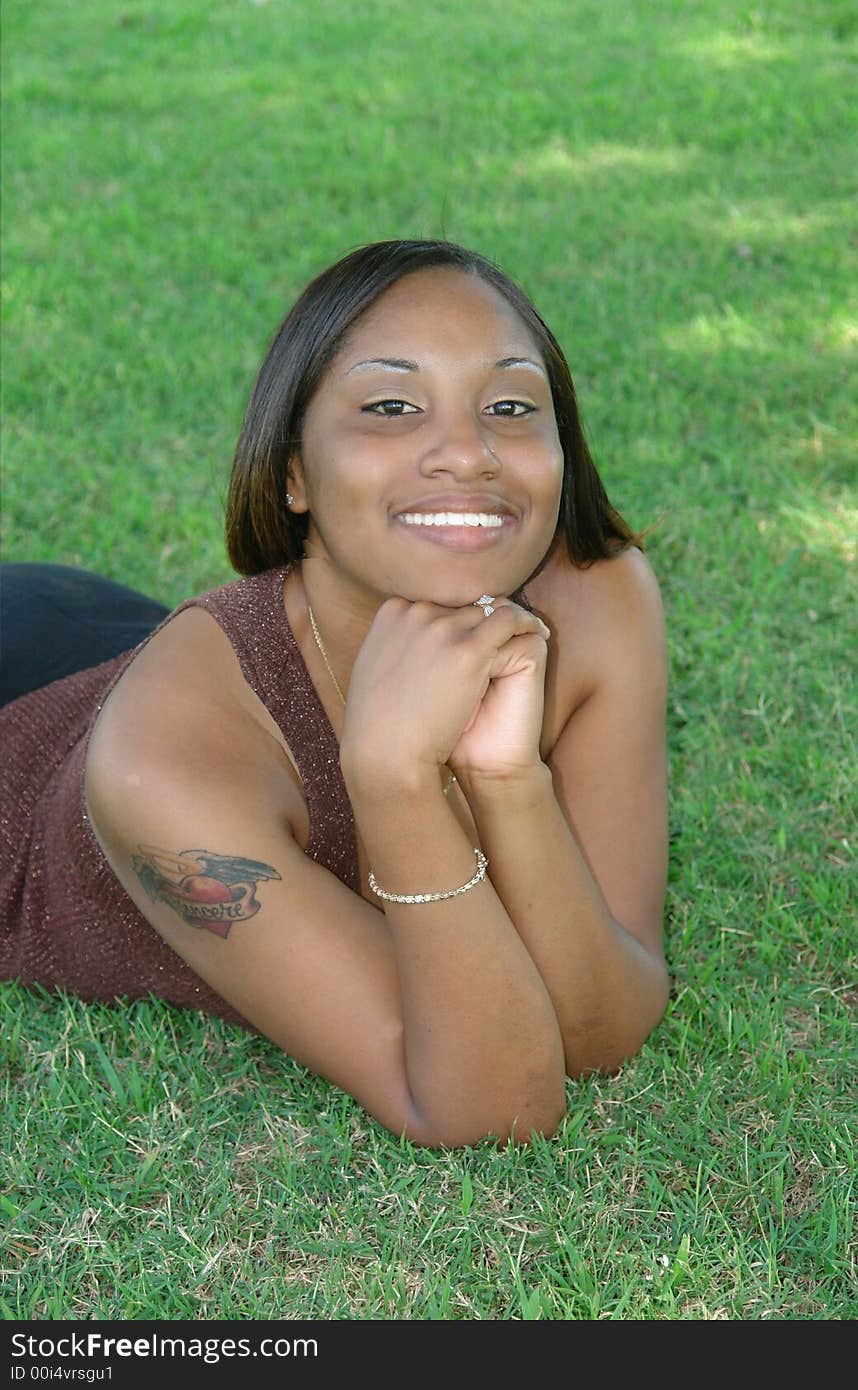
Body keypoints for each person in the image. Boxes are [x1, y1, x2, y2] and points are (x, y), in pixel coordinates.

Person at [0, 239, 669, 1148]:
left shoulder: (596, 596)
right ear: (293, 472)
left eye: (510, 405)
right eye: (392, 405)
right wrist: (394, 776)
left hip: (96, 635)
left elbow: (606, 1031)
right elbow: (497, 1104)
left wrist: (508, 779)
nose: (467, 453)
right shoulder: (164, 759)